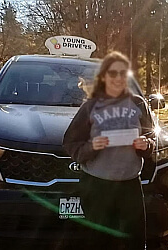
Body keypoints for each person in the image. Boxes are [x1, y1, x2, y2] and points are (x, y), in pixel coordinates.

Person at [63, 51, 155, 250]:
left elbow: (151, 138)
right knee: (98, 240)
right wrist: (90, 147)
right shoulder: (91, 106)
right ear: (104, 76)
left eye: (123, 73)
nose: (118, 78)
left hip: (130, 185)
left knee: (135, 241)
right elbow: (70, 142)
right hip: (97, 186)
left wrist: (145, 145)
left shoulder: (138, 103)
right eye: (113, 73)